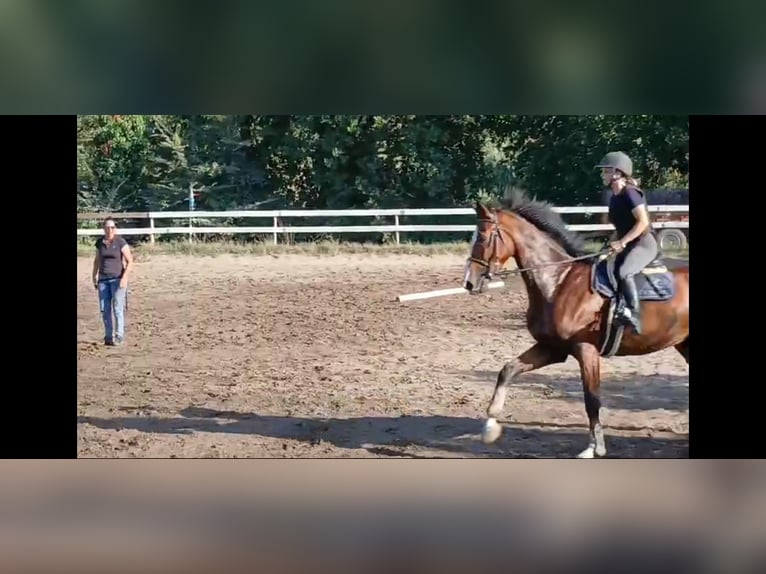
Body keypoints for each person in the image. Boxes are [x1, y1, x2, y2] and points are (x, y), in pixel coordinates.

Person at [595, 151, 658, 334]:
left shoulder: (631, 193)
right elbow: (622, 226)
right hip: (628, 243)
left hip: (644, 243)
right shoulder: (615, 197)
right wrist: (611, 243)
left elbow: (643, 222)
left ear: (617, 173)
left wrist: (622, 242)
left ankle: (634, 316)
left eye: (606, 171)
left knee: (624, 272)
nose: (603, 175)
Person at [92, 217, 133, 345]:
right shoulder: (100, 243)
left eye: (112, 227)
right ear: (104, 229)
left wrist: (124, 277)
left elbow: (130, 260)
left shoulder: (120, 242)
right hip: (103, 280)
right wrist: (94, 276)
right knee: (105, 309)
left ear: (115, 229)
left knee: (117, 308)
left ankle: (119, 335)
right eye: (107, 227)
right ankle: (108, 336)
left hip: (117, 279)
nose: (109, 230)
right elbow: (97, 260)